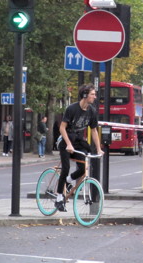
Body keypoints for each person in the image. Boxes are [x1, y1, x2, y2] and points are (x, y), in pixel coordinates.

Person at [55, 84, 104, 212]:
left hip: (77, 141)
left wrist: (98, 148)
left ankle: (68, 180)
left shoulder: (92, 111)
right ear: (84, 95)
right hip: (66, 140)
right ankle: (59, 197)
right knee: (65, 168)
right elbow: (62, 128)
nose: (95, 97)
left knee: (84, 168)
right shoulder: (72, 109)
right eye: (92, 94)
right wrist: (68, 144)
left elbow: (94, 131)